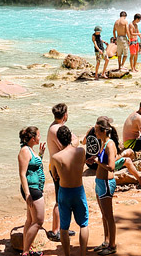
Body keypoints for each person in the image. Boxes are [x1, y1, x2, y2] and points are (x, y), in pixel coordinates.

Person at [52, 124, 89, 256]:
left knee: (64, 227)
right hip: (78, 190)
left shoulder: (56, 157)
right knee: (84, 224)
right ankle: (83, 253)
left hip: (64, 192)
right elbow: (83, 164)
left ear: (59, 140)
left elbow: (54, 174)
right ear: (70, 137)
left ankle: (67, 254)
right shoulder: (80, 152)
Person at [47, 103, 76, 243]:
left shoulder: (55, 127)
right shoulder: (56, 129)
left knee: (63, 199)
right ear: (65, 115)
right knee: (60, 200)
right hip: (57, 168)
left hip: (57, 166)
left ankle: (62, 228)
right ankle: (55, 230)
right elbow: (68, 146)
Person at [18, 125, 46, 256]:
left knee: (30, 220)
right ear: (33, 138)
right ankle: (25, 252)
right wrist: (28, 193)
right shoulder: (24, 151)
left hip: (35, 188)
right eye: (38, 135)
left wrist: (40, 155)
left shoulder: (31, 150)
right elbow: (22, 174)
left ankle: (27, 250)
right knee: (39, 221)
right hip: (32, 190)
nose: (40, 137)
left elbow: (35, 166)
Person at [93, 117, 117, 255]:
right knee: (104, 215)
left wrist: (98, 162)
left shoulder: (109, 144)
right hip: (100, 183)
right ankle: (106, 241)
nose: (95, 133)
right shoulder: (103, 142)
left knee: (109, 216)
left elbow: (111, 167)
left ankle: (112, 245)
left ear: (103, 131)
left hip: (106, 183)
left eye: (97, 131)